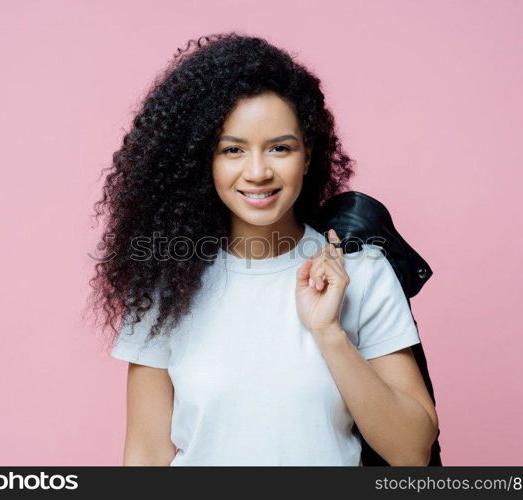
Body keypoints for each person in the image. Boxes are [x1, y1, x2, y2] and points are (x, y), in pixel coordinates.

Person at [89, 32, 439, 466]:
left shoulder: (362, 272)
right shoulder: (166, 282)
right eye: (232, 150)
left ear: (307, 157)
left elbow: (412, 452)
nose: (257, 172)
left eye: (279, 148)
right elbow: (145, 453)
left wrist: (329, 333)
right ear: (204, 161)